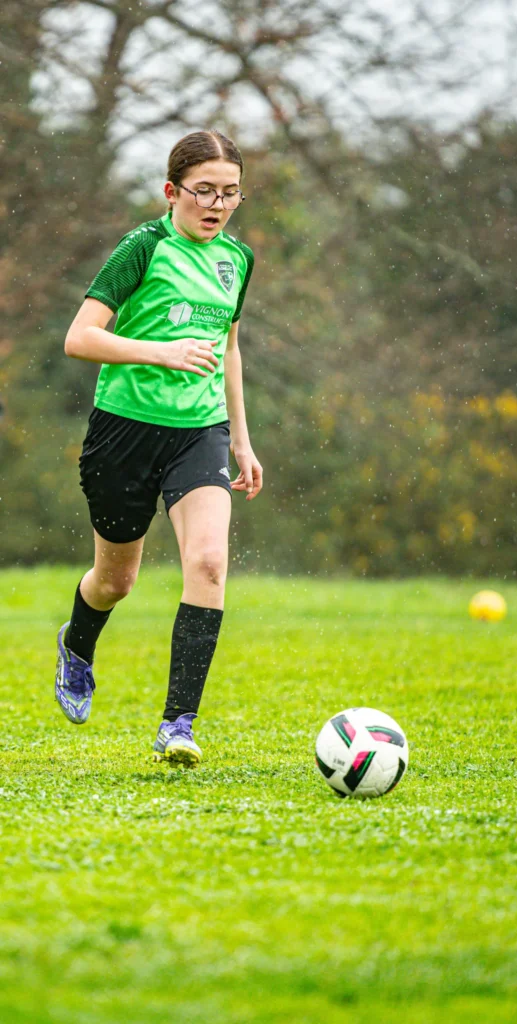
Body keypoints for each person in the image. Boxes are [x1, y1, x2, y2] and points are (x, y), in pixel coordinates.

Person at [55, 128, 263, 766]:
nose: (217, 205)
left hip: (200, 432)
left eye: (230, 193)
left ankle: (179, 723)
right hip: (123, 432)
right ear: (172, 191)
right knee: (115, 581)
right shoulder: (142, 248)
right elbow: (80, 338)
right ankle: (77, 644)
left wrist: (242, 440)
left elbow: (229, 347)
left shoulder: (238, 259)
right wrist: (159, 352)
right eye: (204, 191)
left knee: (208, 562)